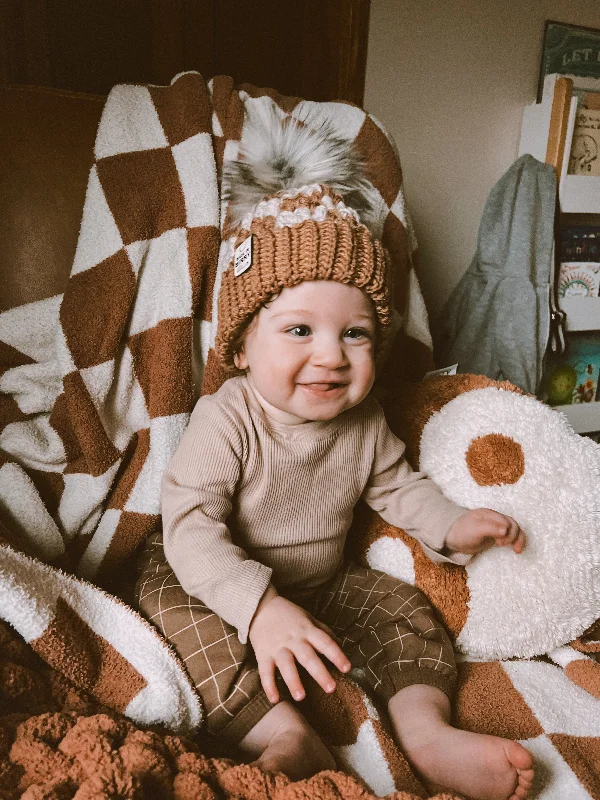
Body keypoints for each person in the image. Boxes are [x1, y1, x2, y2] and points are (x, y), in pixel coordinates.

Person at [135, 113, 534, 800]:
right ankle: (280, 730)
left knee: (405, 611)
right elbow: (191, 527)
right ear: (239, 348)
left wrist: (449, 525)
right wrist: (258, 610)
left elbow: (397, 486)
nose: (331, 356)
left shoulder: (364, 418)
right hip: (220, 576)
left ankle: (426, 731)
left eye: (356, 334)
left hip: (322, 582)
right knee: (167, 606)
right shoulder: (229, 415)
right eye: (298, 329)